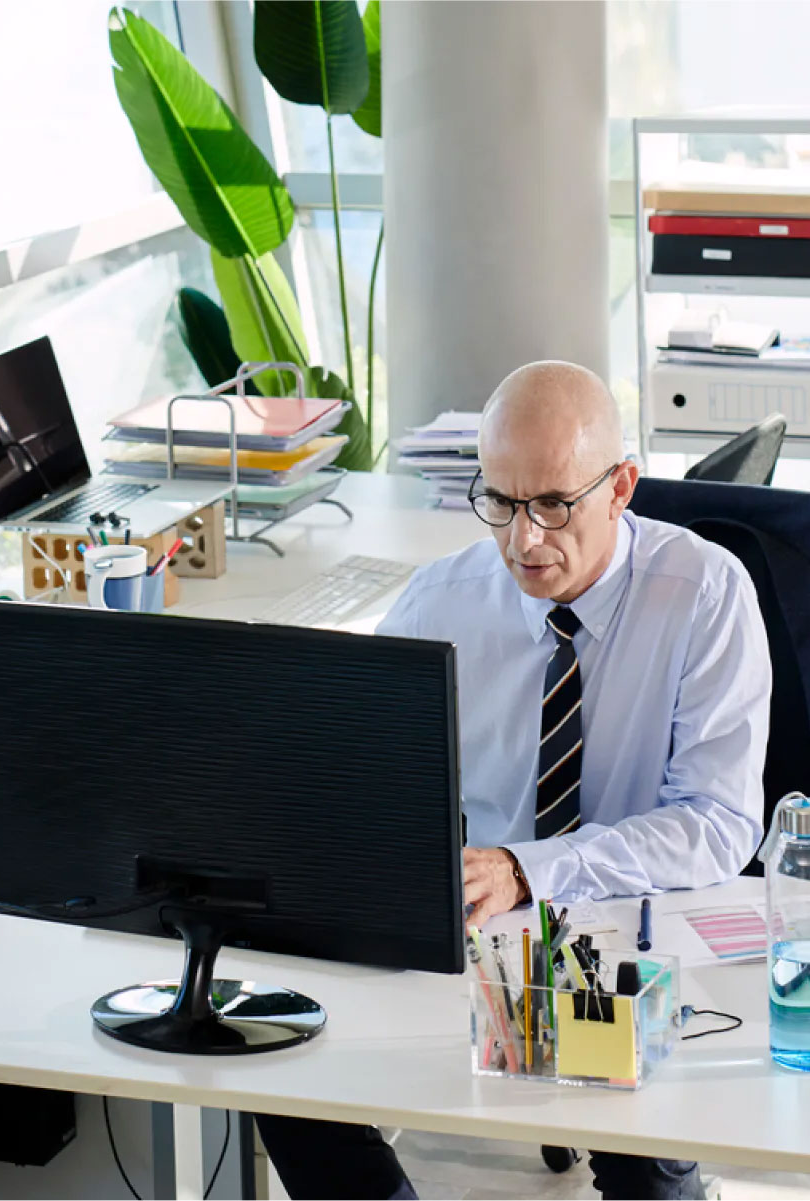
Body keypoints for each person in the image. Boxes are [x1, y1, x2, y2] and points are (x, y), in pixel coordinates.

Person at [255, 361, 773, 1200]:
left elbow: (715, 822)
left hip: (632, 930)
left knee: (643, 1168)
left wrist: (531, 867)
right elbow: (356, 780)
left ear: (622, 488)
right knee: (277, 1041)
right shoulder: (440, 603)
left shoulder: (704, 594)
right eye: (500, 502)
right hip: (471, 924)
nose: (523, 540)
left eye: (553, 505)